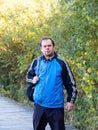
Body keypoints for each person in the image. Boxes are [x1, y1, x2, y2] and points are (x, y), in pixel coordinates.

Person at [26, 36, 77, 130]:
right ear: (41, 49)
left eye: (49, 45)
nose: (47, 48)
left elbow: (71, 83)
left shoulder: (61, 63)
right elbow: (28, 77)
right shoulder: (36, 62)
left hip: (56, 106)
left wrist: (70, 101)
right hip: (39, 105)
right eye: (44, 46)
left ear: (53, 47)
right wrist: (32, 79)